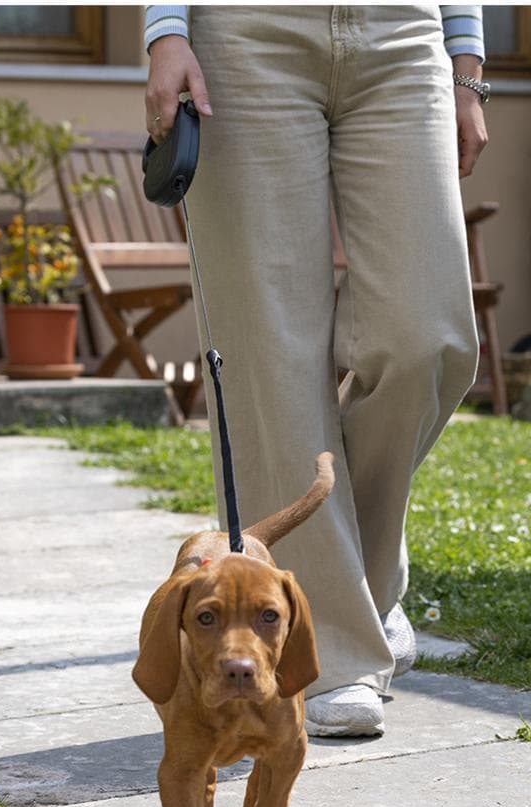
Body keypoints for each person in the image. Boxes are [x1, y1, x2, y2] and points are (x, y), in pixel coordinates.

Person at [144, 5, 488, 737]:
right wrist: (165, 27)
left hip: (403, 34)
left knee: (429, 339)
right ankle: (328, 653)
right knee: (268, 354)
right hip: (245, 34)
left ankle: (361, 582)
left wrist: (467, 63)